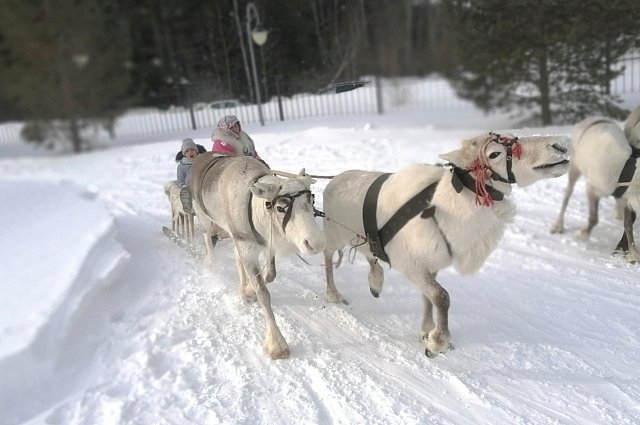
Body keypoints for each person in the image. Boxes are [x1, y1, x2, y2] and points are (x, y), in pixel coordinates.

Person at [176, 138, 199, 214]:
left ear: (196, 151)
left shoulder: (202, 160)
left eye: (192, 150)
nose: (190, 152)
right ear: (184, 154)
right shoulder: (182, 166)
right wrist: (183, 185)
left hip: (202, 182)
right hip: (190, 185)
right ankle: (187, 203)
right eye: (187, 151)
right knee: (187, 190)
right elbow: (180, 179)